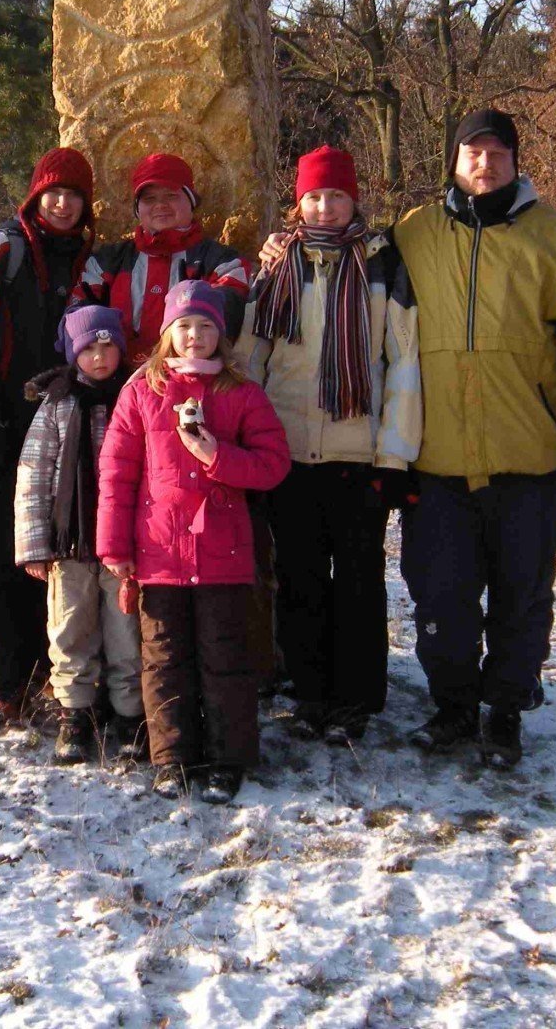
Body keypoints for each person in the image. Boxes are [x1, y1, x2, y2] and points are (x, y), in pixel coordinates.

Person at [389, 109, 556, 768]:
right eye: (472, 152)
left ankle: (505, 713)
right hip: (437, 457)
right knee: (442, 591)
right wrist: (282, 245)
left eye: (497, 152)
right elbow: (345, 262)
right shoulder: (413, 233)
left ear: (515, 161)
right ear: (453, 160)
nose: (485, 163)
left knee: (522, 594)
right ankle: (454, 708)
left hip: (526, 453)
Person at [241, 146, 421, 745]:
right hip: (288, 453)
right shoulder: (275, 264)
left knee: (361, 580)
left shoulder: (382, 263)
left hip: (358, 453)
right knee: (301, 579)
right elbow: (251, 358)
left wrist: (394, 457)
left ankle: (358, 697)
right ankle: (312, 693)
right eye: (314, 196)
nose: (325, 206)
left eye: (337, 196)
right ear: (299, 201)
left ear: (354, 200)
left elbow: (403, 365)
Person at [97, 282, 290, 804]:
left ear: (221, 335)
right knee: (163, 658)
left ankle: (229, 758)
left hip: (223, 555)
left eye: (206, 326)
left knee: (225, 657)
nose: (196, 336)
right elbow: (116, 472)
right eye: (184, 326)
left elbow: (273, 465)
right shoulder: (141, 391)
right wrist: (115, 549)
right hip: (158, 555)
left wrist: (215, 455)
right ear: (167, 334)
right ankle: (173, 757)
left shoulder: (241, 392)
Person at [0, 148, 97, 727]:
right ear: (35, 195)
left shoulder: (93, 262)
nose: (63, 202)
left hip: (66, 424)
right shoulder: (1, 250)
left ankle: (54, 668)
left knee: (58, 548)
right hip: (2, 420)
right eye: (53, 191)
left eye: (74, 193)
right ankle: (10, 678)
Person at [12, 305, 143, 765]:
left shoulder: (136, 394)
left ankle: (130, 713)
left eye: (108, 345)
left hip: (124, 543)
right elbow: (33, 473)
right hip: (69, 542)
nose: (100, 356)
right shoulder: (58, 403)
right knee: (70, 627)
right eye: (89, 347)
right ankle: (76, 711)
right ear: (73, 353)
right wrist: (33, 544)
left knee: (126, 629)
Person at [74, 152, 251, 361]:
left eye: (171, 195)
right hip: (115, 382)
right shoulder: (105, 262)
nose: (160, 205)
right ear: (137, 209)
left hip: (193, 380)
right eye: (150, 198)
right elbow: (79, 320)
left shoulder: (223, 262)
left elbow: (227, 318)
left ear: (191, 202)